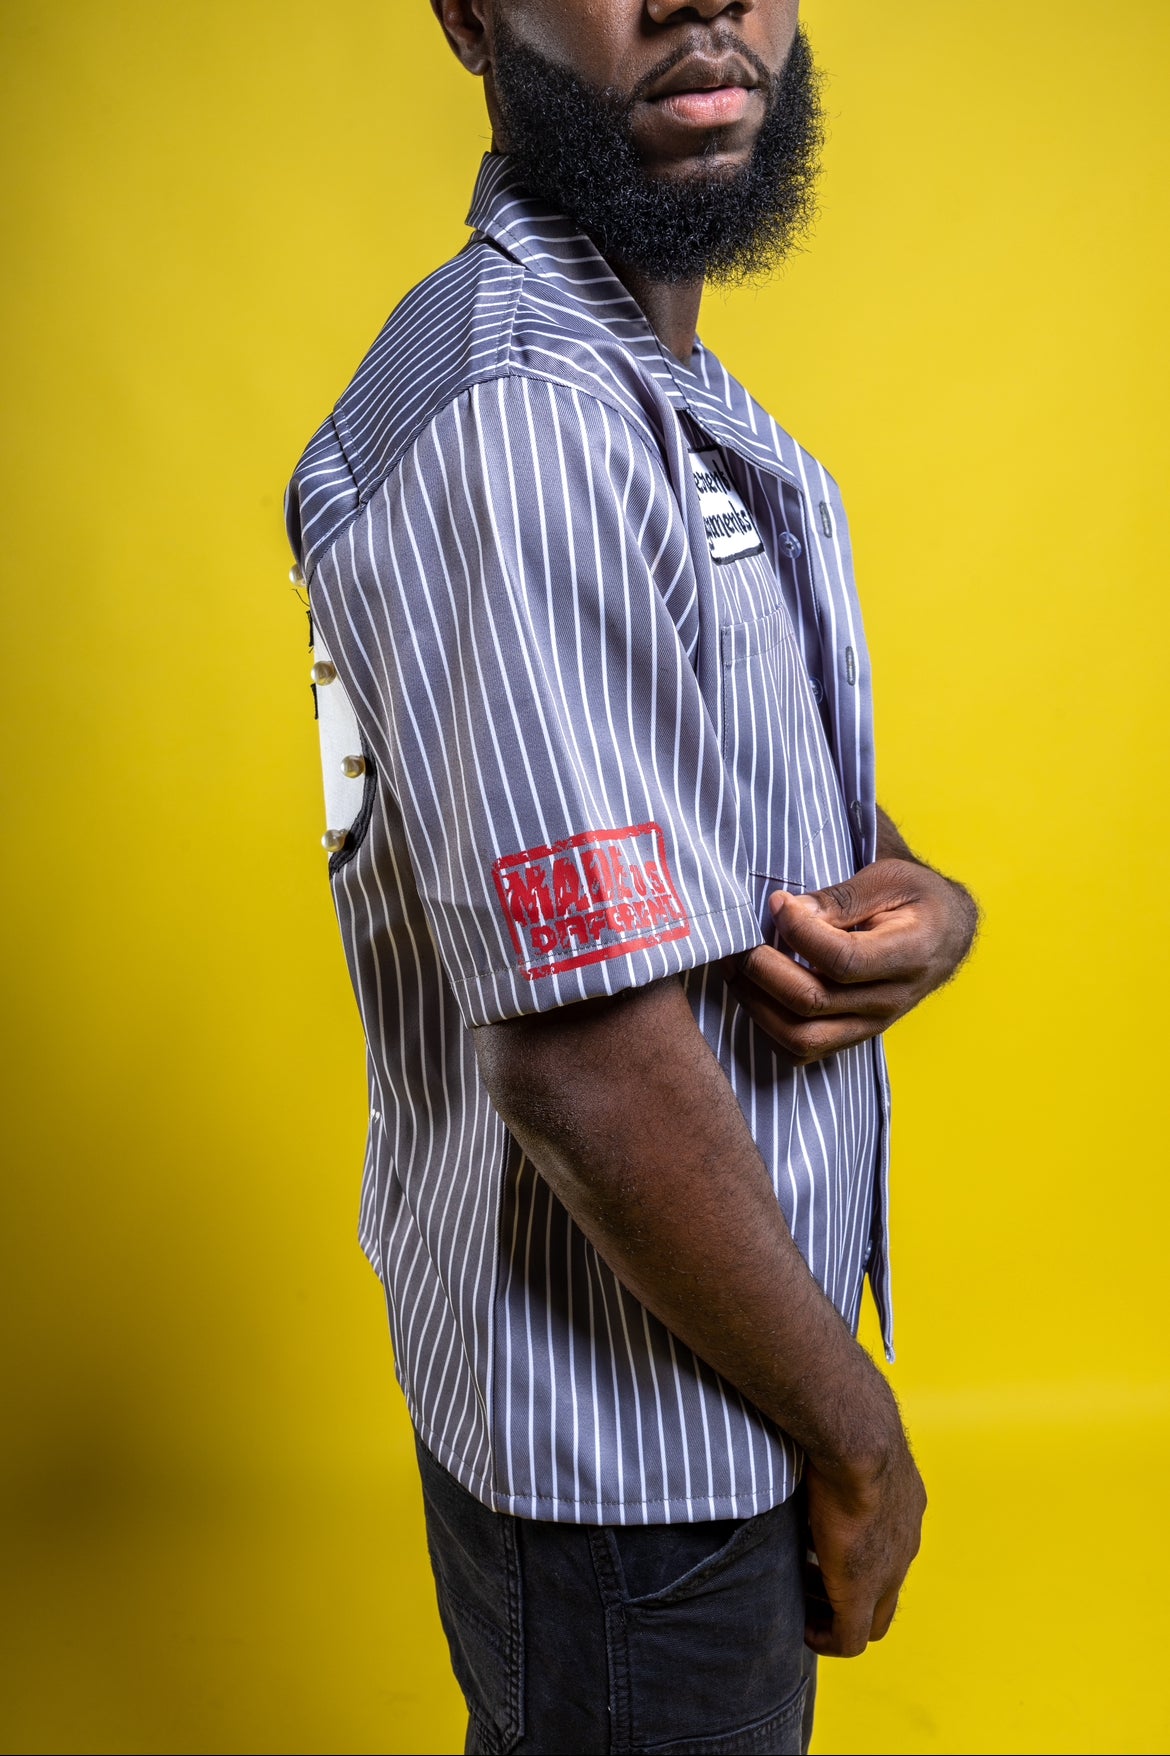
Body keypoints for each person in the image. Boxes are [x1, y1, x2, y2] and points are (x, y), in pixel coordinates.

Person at [286, 2, 977, 1750]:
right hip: (639, 1460)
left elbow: (707, 787)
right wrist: (859, 1440)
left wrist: (922, 898)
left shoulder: (637, 386)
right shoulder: (520, 422)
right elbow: (586, 1067)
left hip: (703, 1385)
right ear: (467, 13)